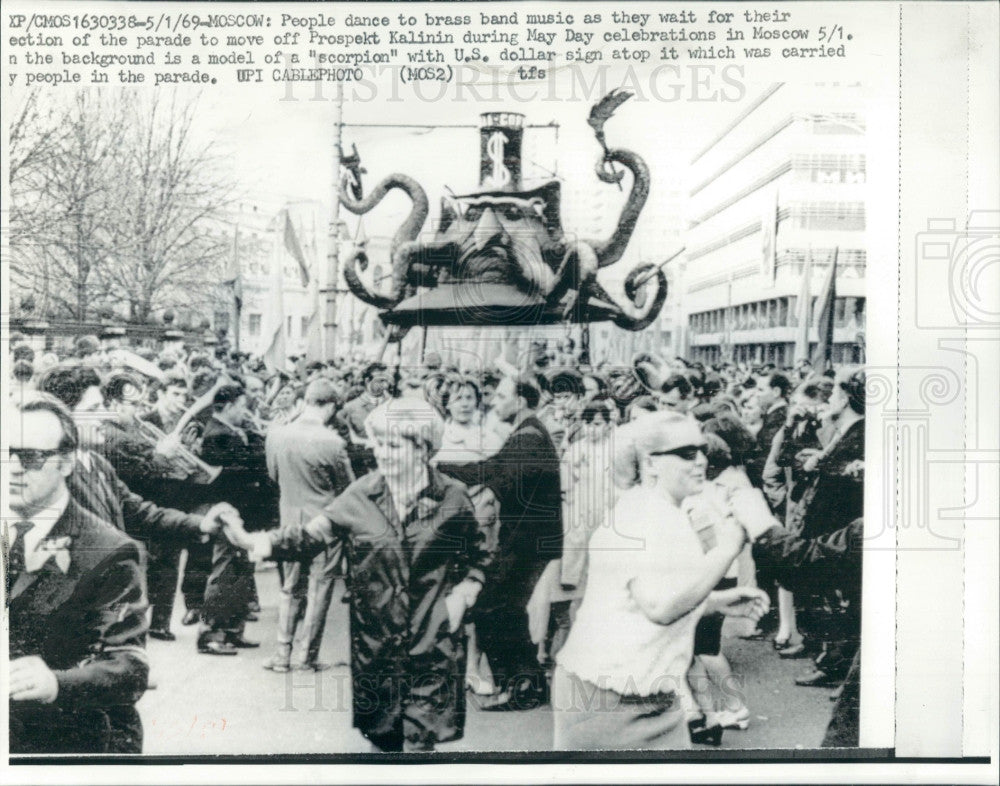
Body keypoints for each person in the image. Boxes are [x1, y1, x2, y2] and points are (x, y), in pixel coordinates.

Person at [229, 398, 490, 751]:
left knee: (416, 748)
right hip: (378, 648)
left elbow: (480, 554)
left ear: (423, 449)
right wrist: (255, 541)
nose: (380, 452)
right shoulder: (361, 494)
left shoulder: (453, 498)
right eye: (376, 442)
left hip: (431, 642)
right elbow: (309, 536)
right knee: (381, 746)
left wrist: (464, 593)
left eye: (392, 445)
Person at [552, 413, 769, 750]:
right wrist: (728, 548)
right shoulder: (642, 515)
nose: (701, 460)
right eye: (686, 453)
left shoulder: (664, 510)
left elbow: (641, 601)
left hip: (651, 695)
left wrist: (711, 603)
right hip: (608, 697)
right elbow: (660, 606)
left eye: (701, 450)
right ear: (650, 464)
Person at [7, 397, 149, 753]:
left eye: (30, 456)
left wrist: (56, 683)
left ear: (67, 462)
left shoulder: (109, 550)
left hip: (66, 740)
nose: (12, 468)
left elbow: (128, 667)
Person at [437, 373, 564, 710]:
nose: (493, 402)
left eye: (502, 396)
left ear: (520, 400)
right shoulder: (528, 433)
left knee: (493, 608)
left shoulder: (527, 438)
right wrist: (443, 467)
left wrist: (440, 470)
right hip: (531, 540)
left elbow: (496, 476)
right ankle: (527, 684)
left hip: (526, 542)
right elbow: (493, 468)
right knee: (503, 608)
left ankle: (520, 687)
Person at [263, 379, 355, 672]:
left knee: (290, 588)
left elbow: (273, 476)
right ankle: (306, 657)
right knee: (319, 590)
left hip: (290, 520)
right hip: (325, 524)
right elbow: (348, 491)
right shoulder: (333, 442)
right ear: (329, 406)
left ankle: (281, 654)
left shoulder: (278, 435)